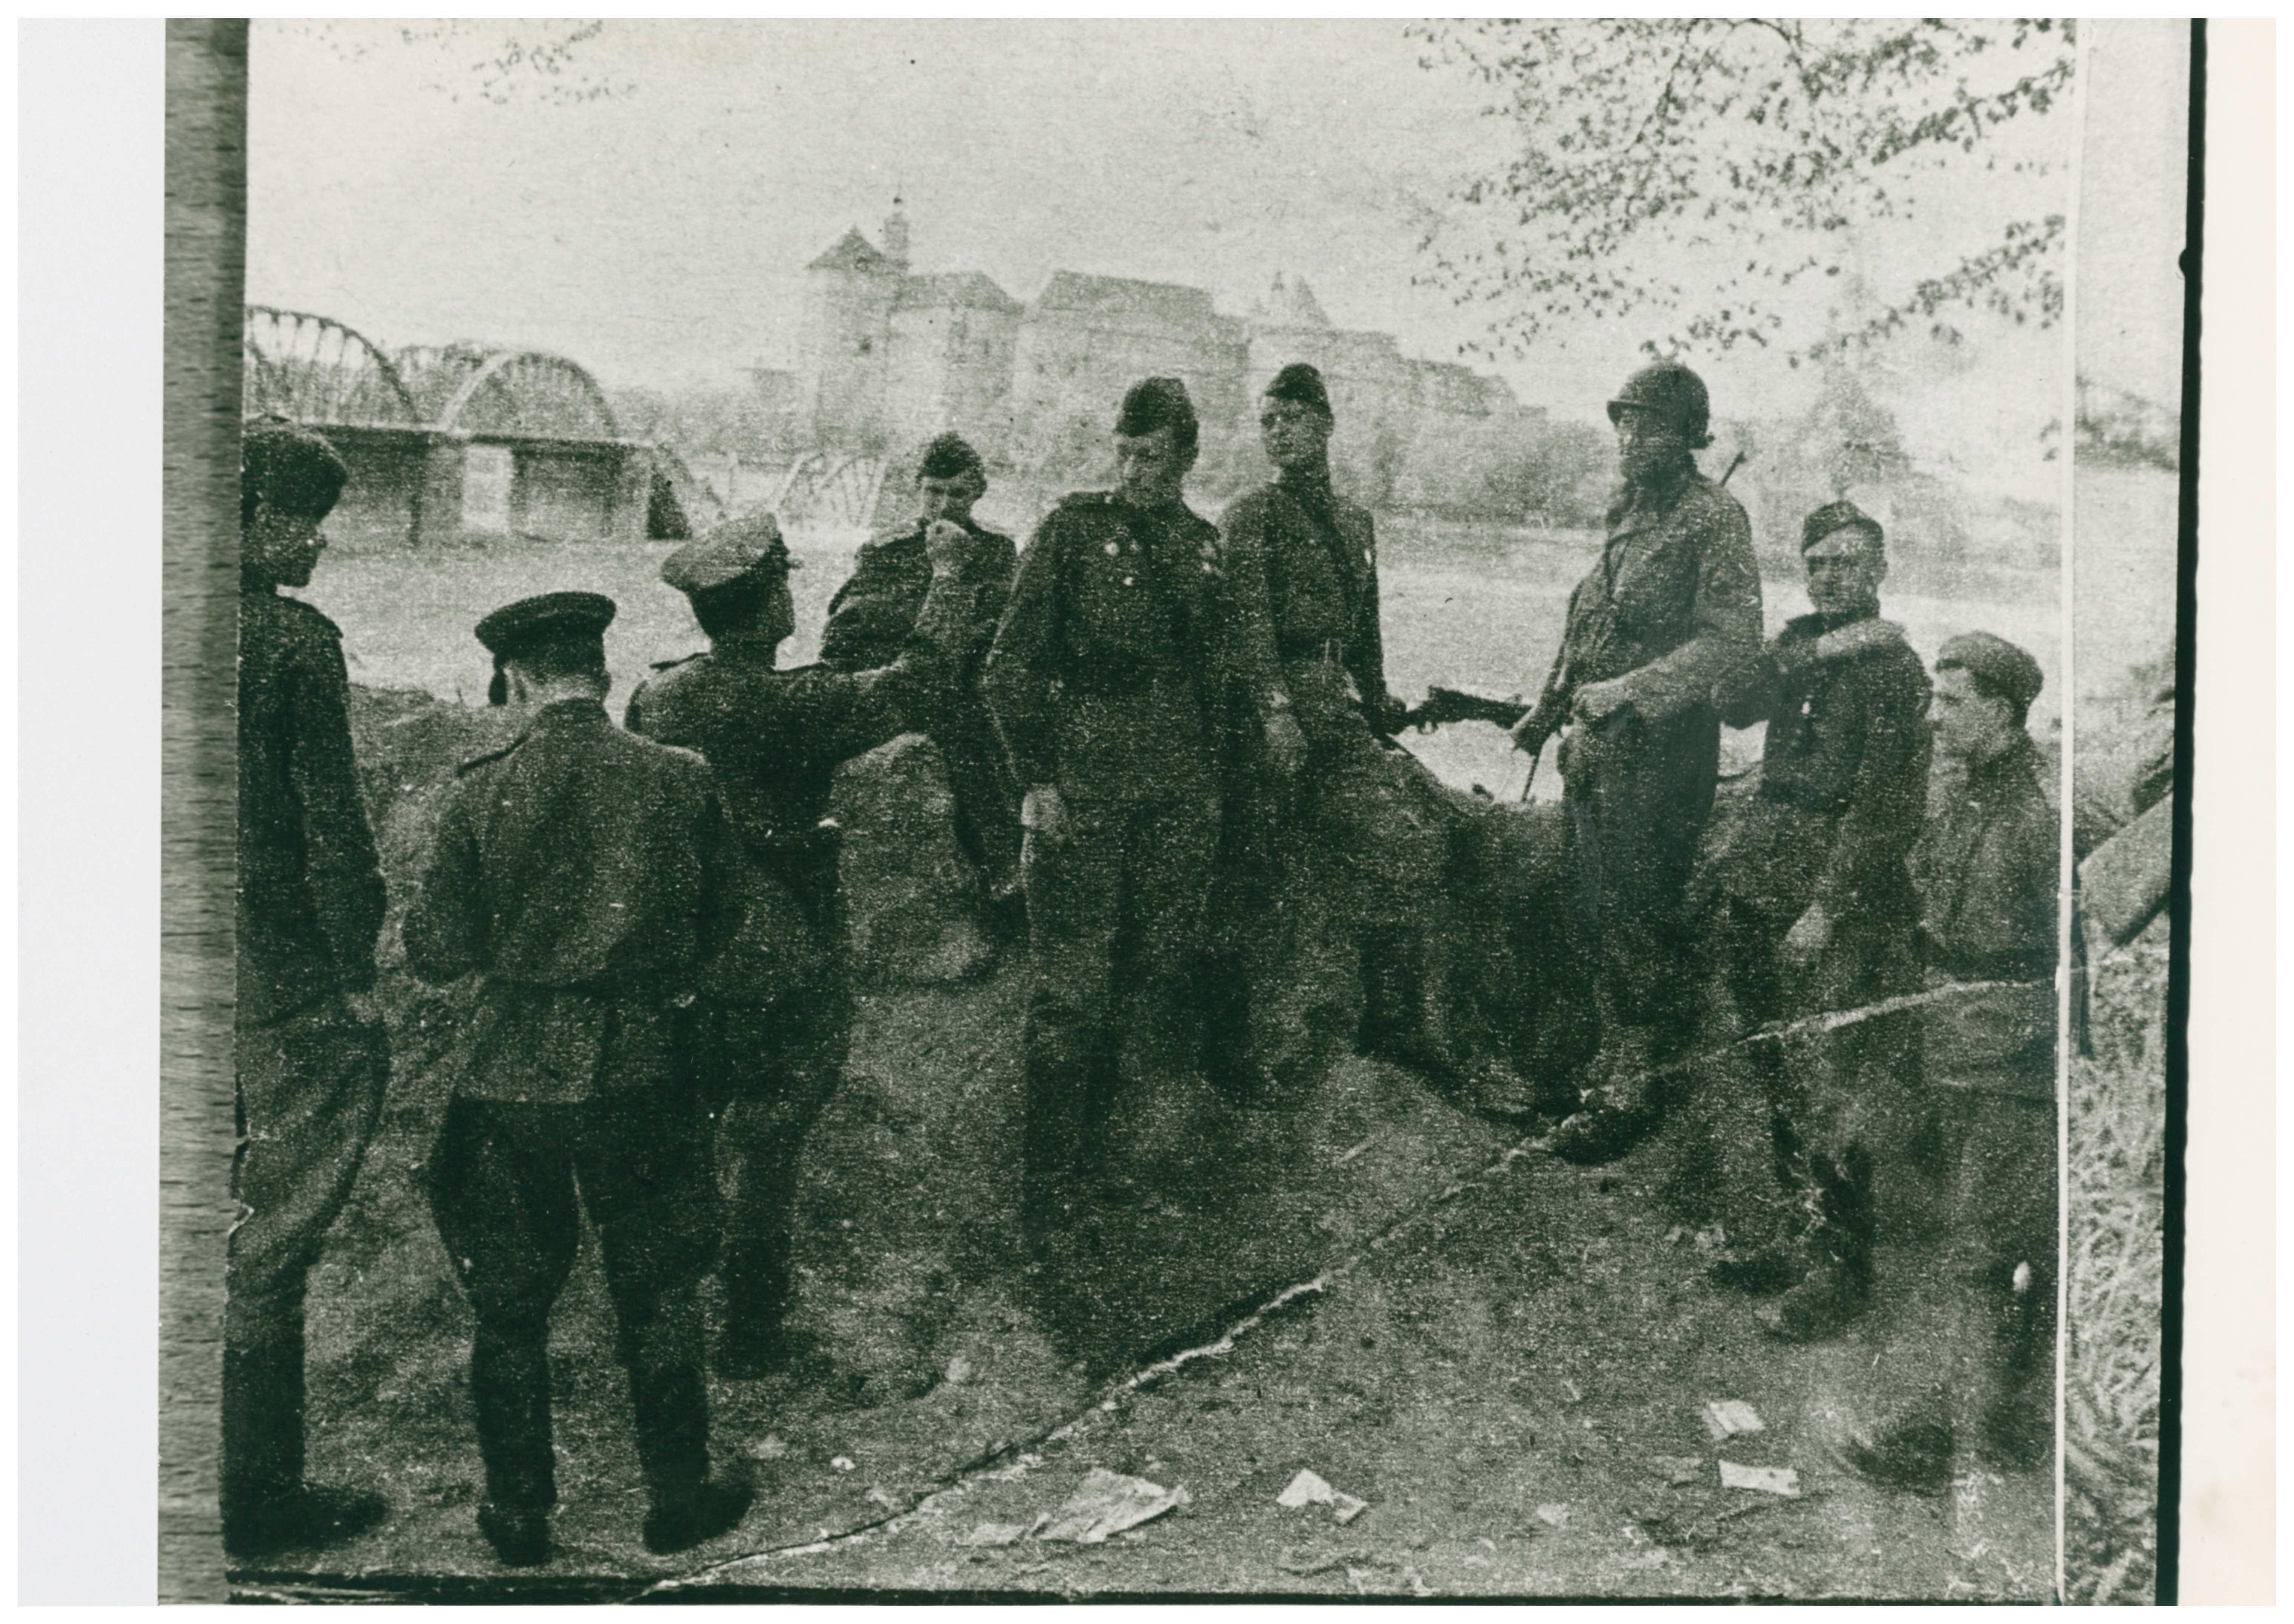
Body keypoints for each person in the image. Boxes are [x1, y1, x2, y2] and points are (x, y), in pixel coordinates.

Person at [405, 592, 752, 1565]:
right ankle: (677, 1498)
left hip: (509, 1074)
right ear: (600, 673)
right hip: (644, 1066)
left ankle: (519, 1517)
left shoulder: (477, 789)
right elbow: (726, 918)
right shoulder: (679, 778)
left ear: (516, 679)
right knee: (658, 1288)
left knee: (510, 1302)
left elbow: (435, 952)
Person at [627, 510, 993, 1376]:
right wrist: (946, 579)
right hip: (783, 944)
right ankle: (750, 1334)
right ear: (769, 607)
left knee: (689, 1131)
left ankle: (659, 1326)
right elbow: (920, 684)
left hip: (686, 945)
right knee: (769, 1135)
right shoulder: (791, 704)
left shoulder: (659, 696)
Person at [1214, 362, 1529, 1114]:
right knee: (1248, 865)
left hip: (1334, 713)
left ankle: (1390, 1021)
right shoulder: (1248, 515)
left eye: (1290, 417)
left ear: (1323, 425)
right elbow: (1247, 624)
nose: (1276, 431)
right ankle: (1226, 1045)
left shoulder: (1352, 521)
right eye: (1266, 420)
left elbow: (1365, 631)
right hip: (1273, 714)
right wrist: (1275, 711)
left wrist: (1378, 700)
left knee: (1420, 840)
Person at [1684, 501, 1933, 1339]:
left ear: (1879, 572)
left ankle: (1840, 1270)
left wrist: (1827, 904)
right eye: (1818, 562)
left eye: (1848, 563)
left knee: (1832, 1082)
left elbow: (1885, 808)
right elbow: (1729, 699)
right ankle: (1787, 1241)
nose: (1831, 576)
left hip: (1838, 890)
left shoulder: (1895, 670)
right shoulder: (1806, 647)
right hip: (1766, 869)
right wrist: (1810, 648)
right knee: (1767, 1070)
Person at [983, 377, 1225, 1229]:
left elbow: (1214, 678)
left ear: (1188, 459)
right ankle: (1047, 1185)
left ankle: (1106, 1163)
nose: (1131, 471)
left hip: (1176, 792)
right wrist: (1035, 780)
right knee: (1070, 989)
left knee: (1150, 977)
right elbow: (1008, 666)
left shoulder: (1204, 546)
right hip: (1082, 786)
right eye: (1122, 453)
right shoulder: (1072, 532)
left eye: (1151, 457)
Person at [1508, 360, 1763, 1163]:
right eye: (1622, 422)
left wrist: (1627, 691)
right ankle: (1602, 1070)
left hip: (1659, 758)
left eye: (1648, 425)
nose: (1629, 437)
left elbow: (1730, 641)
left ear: (1688, 436)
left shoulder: (1713, 517)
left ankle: (1633, 1091)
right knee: (1592, 911)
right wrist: (1548, 705)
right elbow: (1590, 620)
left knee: (1634, 919)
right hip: (1594, 754)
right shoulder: (1629, 513)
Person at [225, 417, 394, 1558]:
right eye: (303, 521)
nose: (318, 544)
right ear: (248, 518)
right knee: (271, 1238)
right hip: (279, 975)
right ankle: (258, 1500)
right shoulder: (290, 645)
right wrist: (353, 976)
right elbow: (336, 837)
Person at [1844, 631, 2059, 1494]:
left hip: (2011, 1060)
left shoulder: (2041, 813)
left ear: (2000, 713)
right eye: (1933, 698)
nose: (1933, 717)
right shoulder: (1964, 790)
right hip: (1952, 1039)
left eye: (1951, 701)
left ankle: (1926, 1440)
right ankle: (2008, 1418)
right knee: (2001, 1241)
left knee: (1979, 1250)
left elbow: (2065, 956)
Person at [819, 433, 1025, 923]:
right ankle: (999, 865)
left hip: (972, 681)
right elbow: (851, 628)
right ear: (916, 489)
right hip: (906, 681)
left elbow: (1010, 625)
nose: (943, 506)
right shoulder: (886, 550)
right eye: (933, 492)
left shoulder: (997, 549)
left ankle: (1009, 870)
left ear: (977, 494)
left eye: (957, 494)